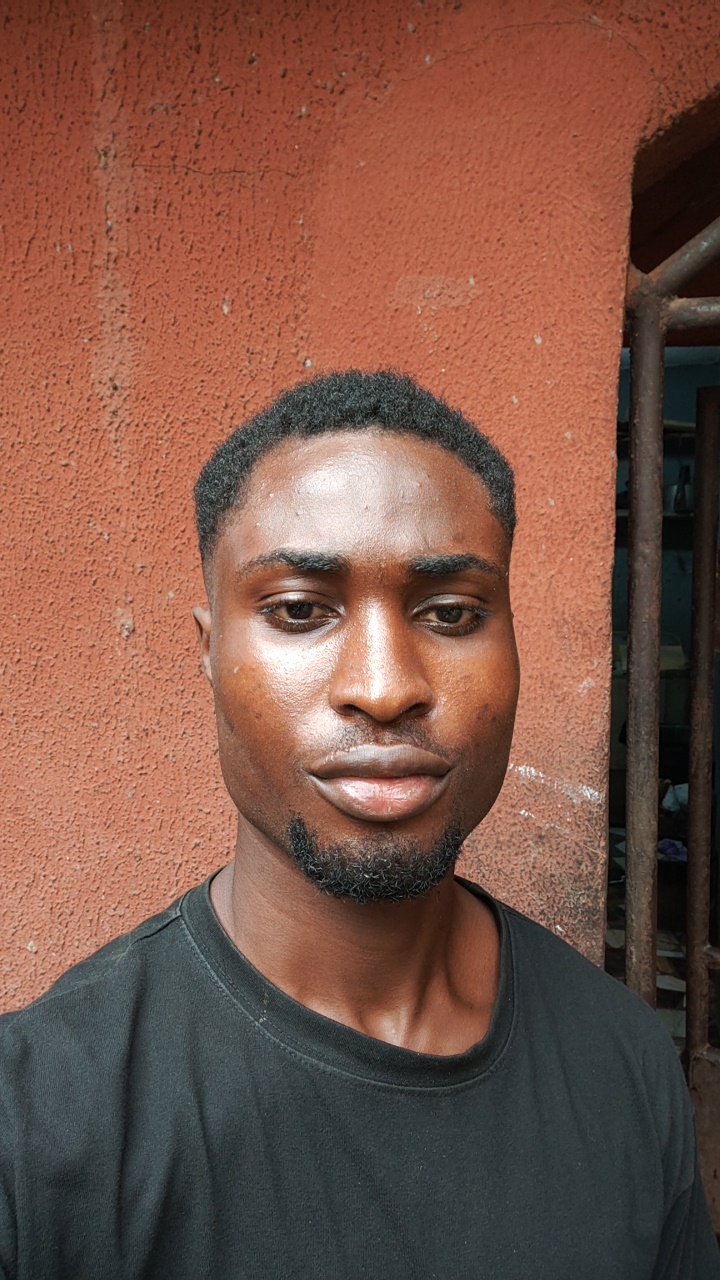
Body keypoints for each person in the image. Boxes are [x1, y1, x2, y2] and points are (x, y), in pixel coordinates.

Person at [0, 370, 717, 1280]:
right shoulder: (37, 1123)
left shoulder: (626, 1064)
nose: (383, 688)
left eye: (450, 614)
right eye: (300, 611)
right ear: (210, 653)